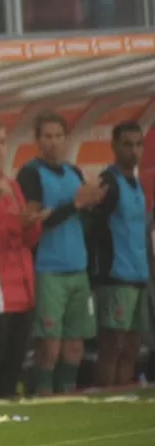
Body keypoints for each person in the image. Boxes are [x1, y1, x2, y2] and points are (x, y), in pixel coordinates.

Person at [16, 112, 104, 394]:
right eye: (47, 136)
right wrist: (76, 205)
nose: (53, 142)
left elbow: (83, 219)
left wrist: (92, 205)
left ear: (65, 139)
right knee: (49, 343)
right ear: (37, 140)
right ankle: (43, 393)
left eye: (58, 136)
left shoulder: (74, 172)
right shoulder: (30, 173)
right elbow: (38, 220)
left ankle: (67, 391)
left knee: (75, 343)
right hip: (48, 268)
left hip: (77, 266)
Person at [0, 121, 39, 399]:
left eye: (2, 142)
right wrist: (16, 225)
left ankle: (9, 397)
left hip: (21, 277)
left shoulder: (11, 184)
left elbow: (29, 239)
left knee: (16, 350)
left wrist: (31, 224)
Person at [87, 122, 149, 387]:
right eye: (127, 144)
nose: (133, 151)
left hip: (139, 274)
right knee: (112, 344)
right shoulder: (108, 182)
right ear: (114, 146)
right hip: (114, 276)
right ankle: (104, 397)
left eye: (138, 144)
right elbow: (93, 227)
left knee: (133, 345)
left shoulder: (136, 184)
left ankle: (123, 395)